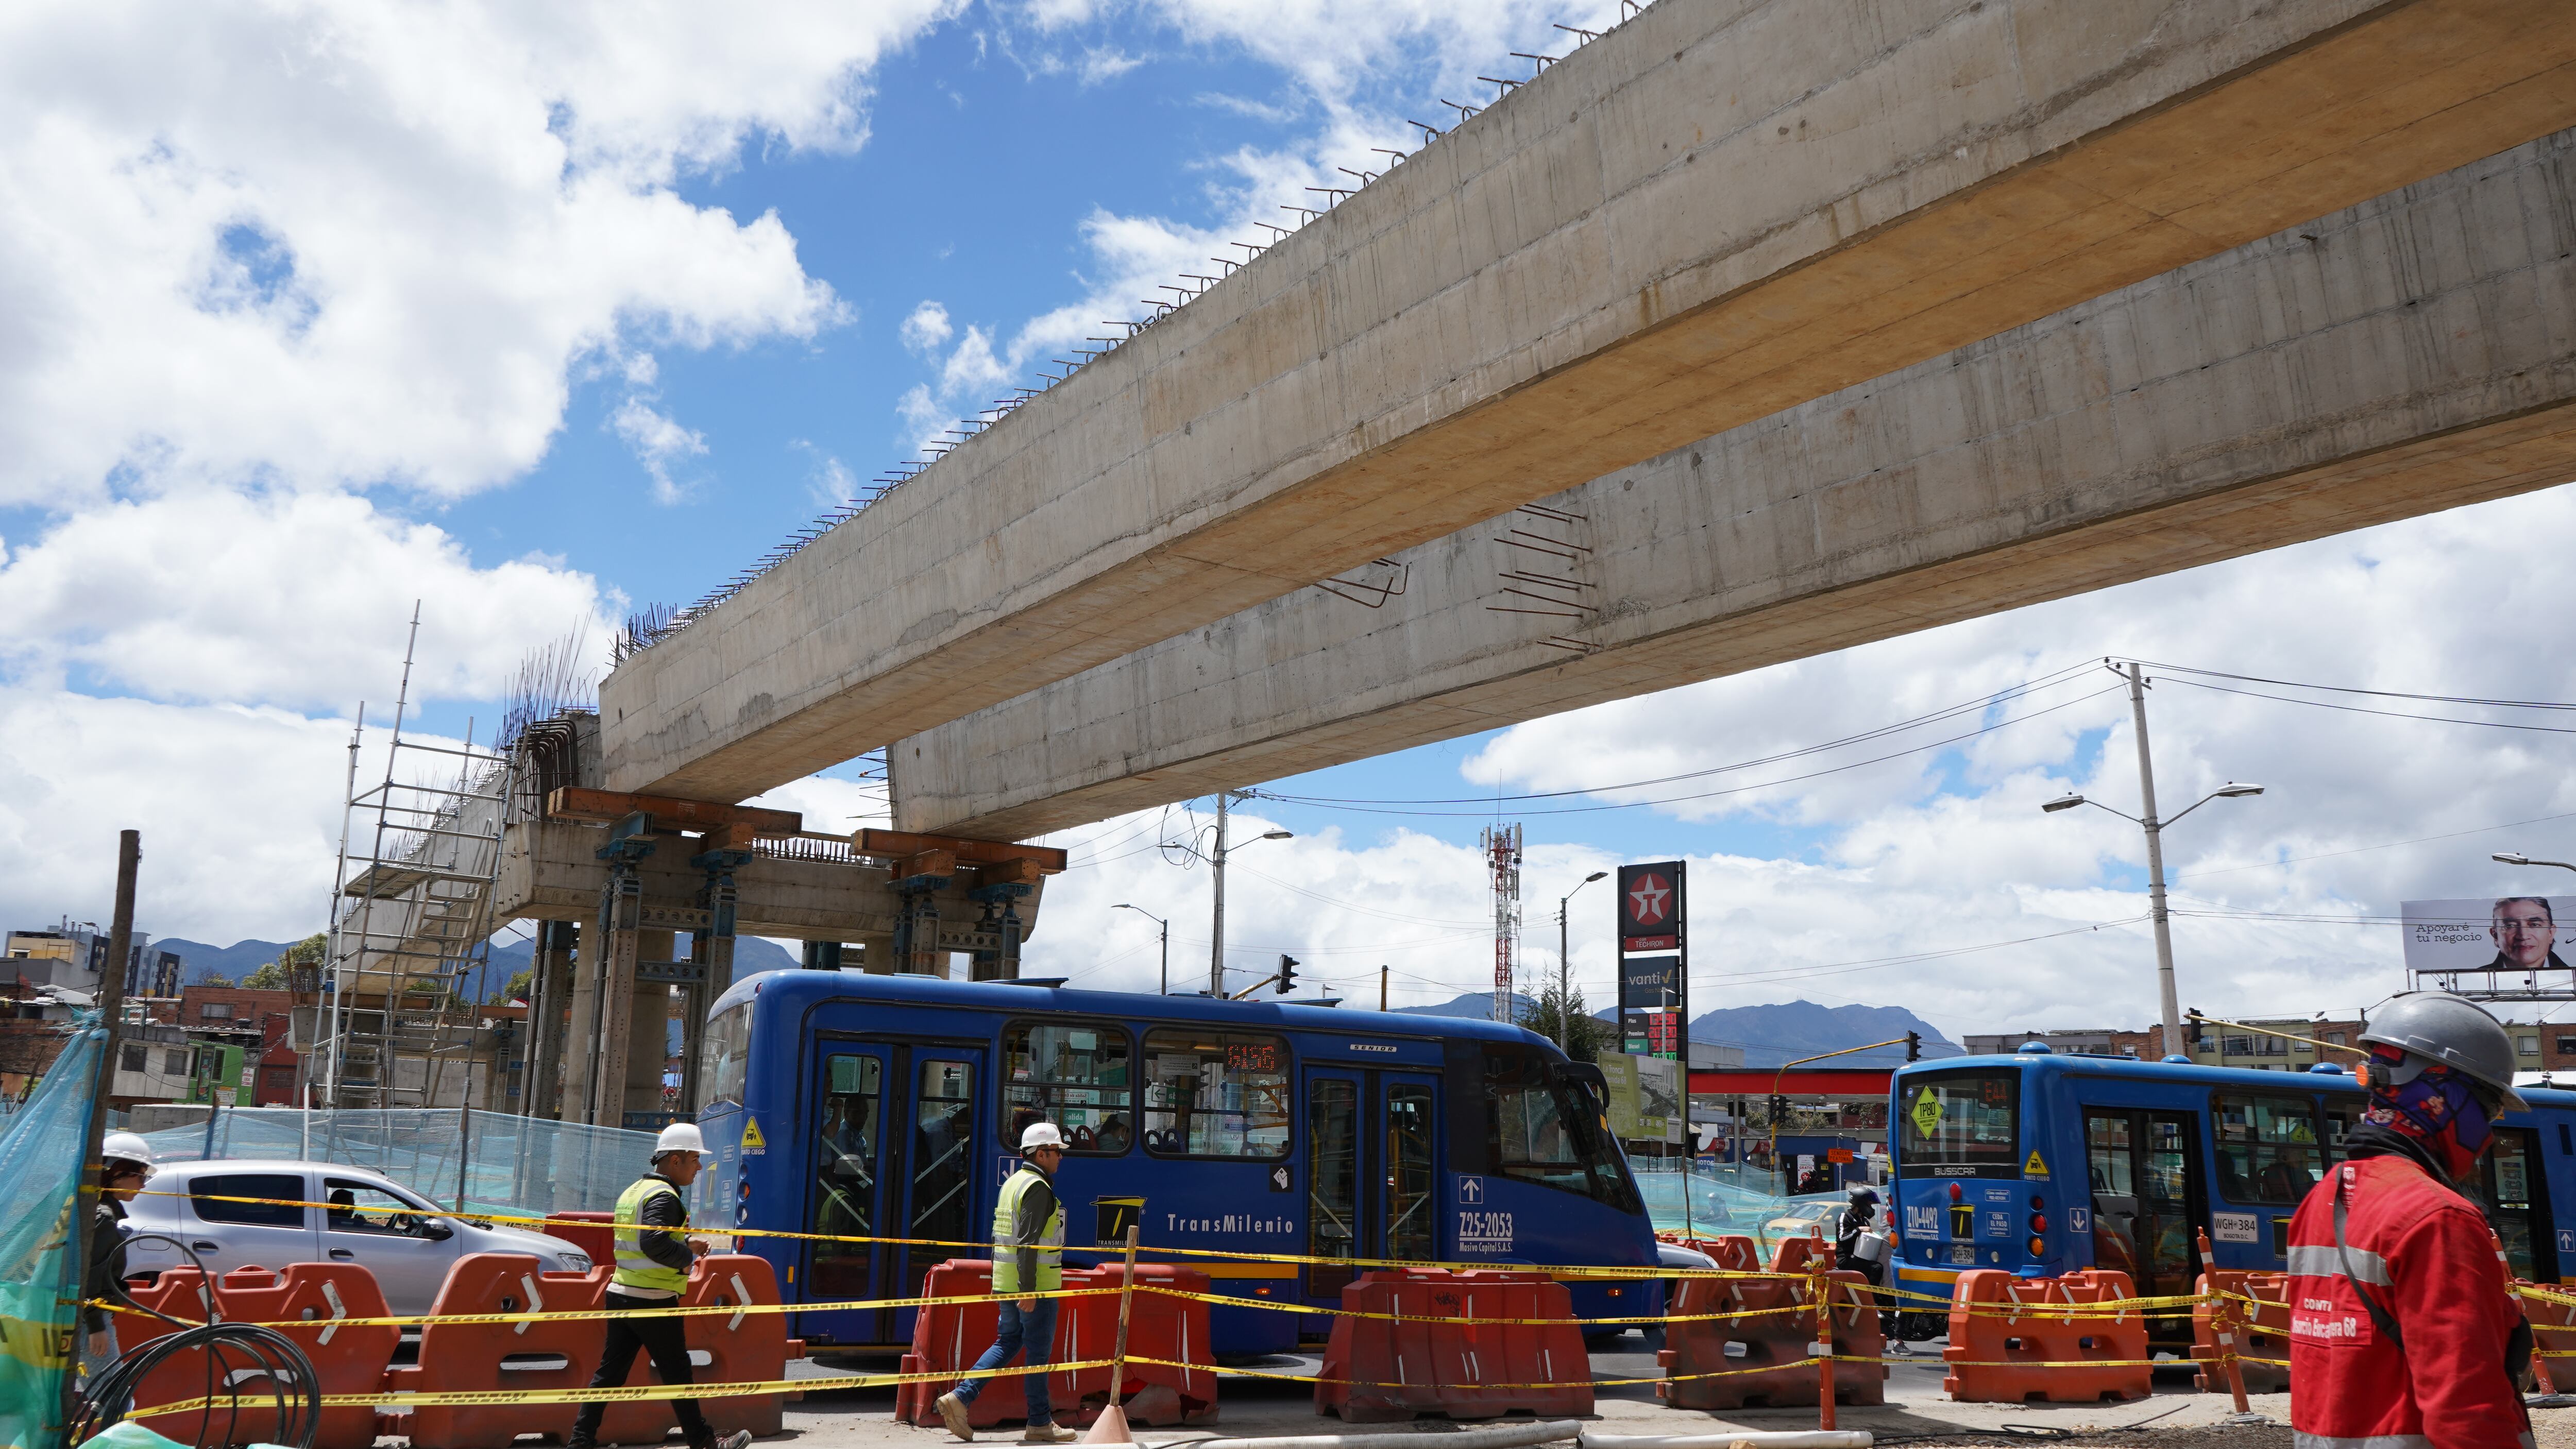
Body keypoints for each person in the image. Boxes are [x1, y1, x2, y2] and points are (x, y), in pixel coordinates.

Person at [2285, 991, 2533, 1447]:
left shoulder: (2324, 1198)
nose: (2490, 1130)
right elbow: (2466, 1406)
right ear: (2446, 1095)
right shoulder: (2438, 1217)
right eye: (2491, 1108)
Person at [567, 1123, 752, 1449]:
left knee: (610, 1375)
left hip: (623, 1293)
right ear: (675, 1160)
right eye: (694, 1159)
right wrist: (686, 1258)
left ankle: (580, 1442)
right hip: (652, 1300)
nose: (699, 1167)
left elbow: (645, 1241)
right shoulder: (664, 1196)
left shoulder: (634, 1190)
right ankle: (705, 1443)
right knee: (678, 1374)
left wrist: (685, 1243)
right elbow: (653, 1242)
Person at [934, 1122, 1074, 1444]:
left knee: (1008, 1342)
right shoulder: (1037, 1187)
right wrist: (1029, 1291)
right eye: (1056, 1152)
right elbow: (1027, 1243)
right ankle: (1039, 1423)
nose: (1060, 1159)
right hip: (1032, 1288)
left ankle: (960, 1398)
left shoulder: (1013, 1183)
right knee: (1037, 1355)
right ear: (1041, 1154)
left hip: (1006, 1283)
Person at [80, 1132, 156, 1382]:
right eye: (141, 1177)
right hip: (86, 1318)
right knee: (113, 1396)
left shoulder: (94, 1208)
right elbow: (88, 1275)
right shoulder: (103, 1217)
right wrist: (96, 1327)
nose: (144, 1185)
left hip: (79, 1314)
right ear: (119, 1175)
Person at [2485, 896, 2569, 974]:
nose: (2523, 936)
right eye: (2510, 926)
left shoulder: (2570, 979)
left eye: (2535, 925)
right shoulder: (2477, 984)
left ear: (2550, 933)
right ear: (2495, 936)